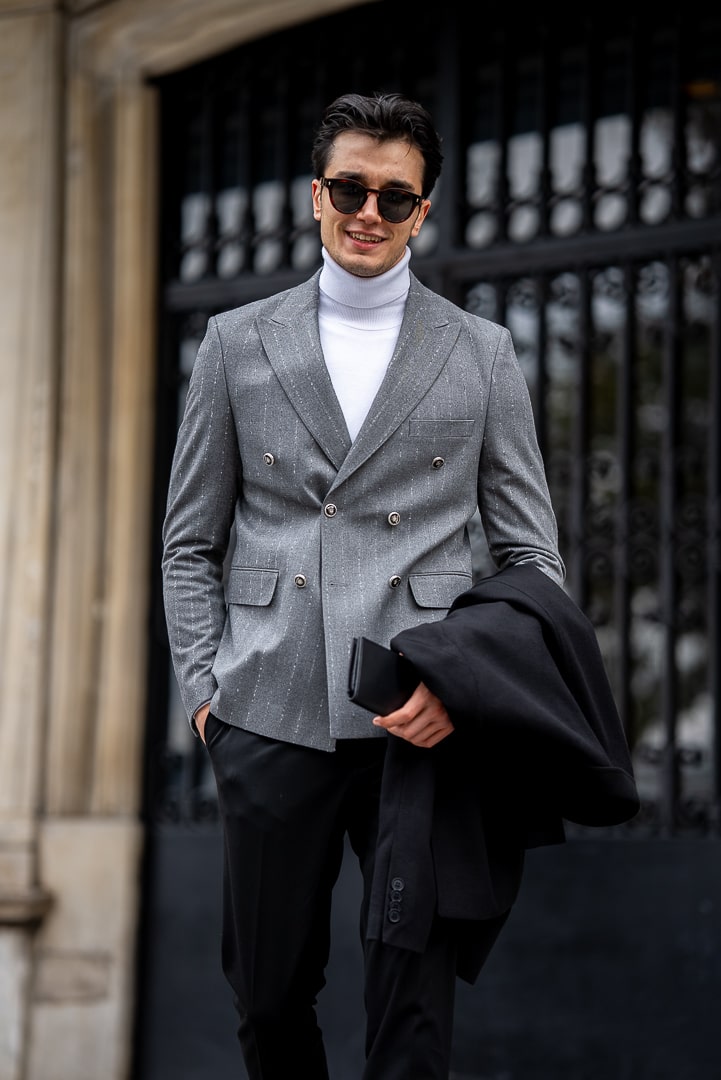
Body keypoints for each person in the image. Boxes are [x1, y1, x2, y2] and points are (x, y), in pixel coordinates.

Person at [161, 90, 566, 1080]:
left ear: (423, 211)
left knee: (412, 1005)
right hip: (267, 710)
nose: (369, 213)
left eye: (395, 196)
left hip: (420, 727)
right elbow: (186, 545)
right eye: (350, 188)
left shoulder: (481, 354)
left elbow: (531, 562)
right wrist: (209, 701)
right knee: (265, 1000)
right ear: (314, 195)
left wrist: (459, 688)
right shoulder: (234, 342)